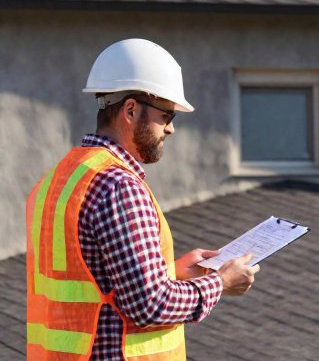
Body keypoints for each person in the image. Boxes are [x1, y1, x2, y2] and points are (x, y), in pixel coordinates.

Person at [26, 38, 260, 361]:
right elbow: (150, 306)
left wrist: (172, 272)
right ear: (131, 110)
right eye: (167, 116)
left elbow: (96, 282)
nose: (171, 129)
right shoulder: (117, 186)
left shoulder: (57, 180)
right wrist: (220, 282)